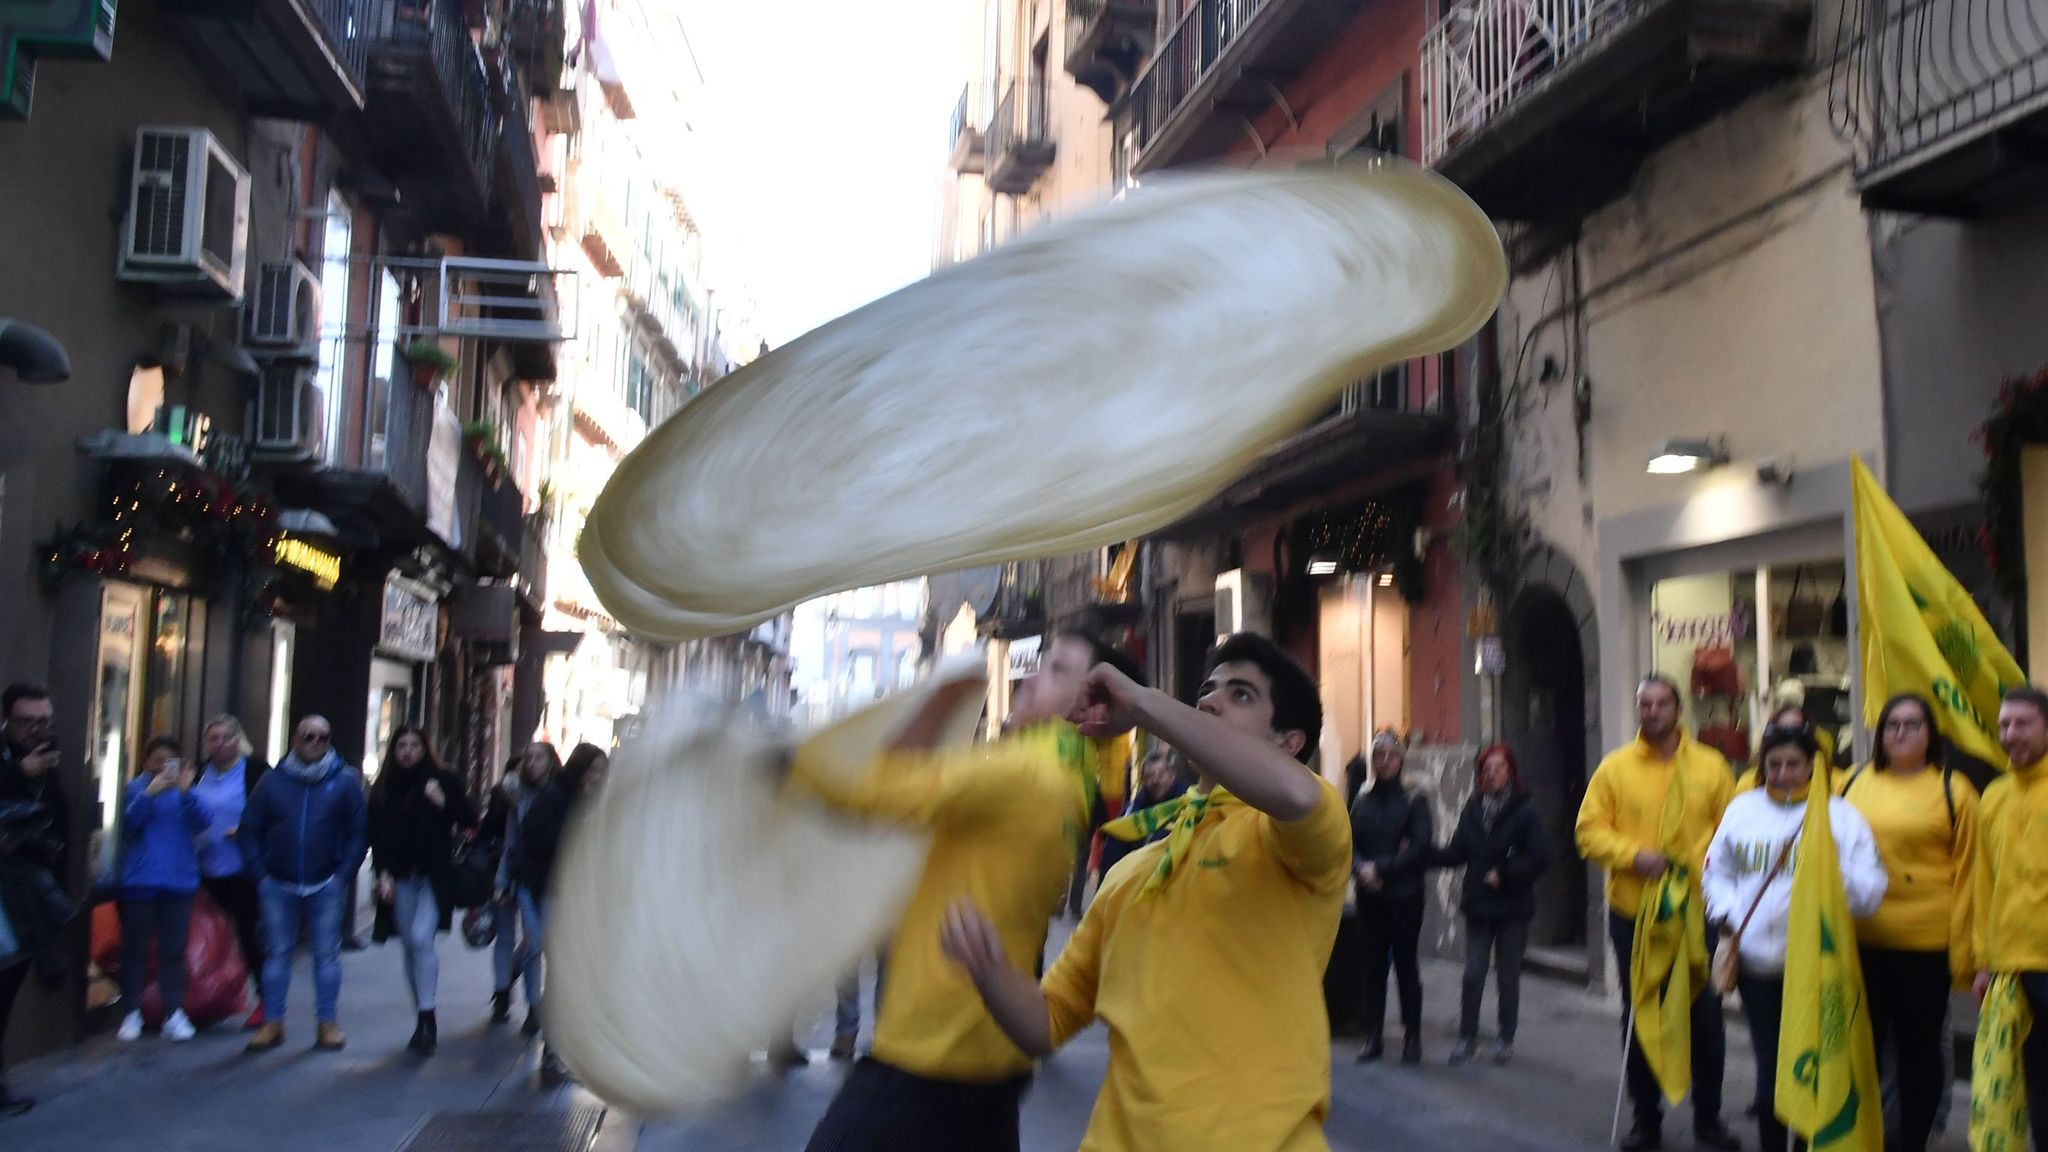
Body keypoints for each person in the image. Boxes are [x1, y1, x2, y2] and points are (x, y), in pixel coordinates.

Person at [941, 632, 1352, 1152]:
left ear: (1288, 743)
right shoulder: (1130, 872)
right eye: (1208, 689)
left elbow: (1293, 792)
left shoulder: (1296, 832)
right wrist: (987, 965)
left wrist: (1140, 702)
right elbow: (1046, 1023)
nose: (1209, 701)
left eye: (1240, 694)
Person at [792, 631, 1142, 1152]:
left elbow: (867, 791)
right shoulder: (1070, 788)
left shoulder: (1026, 774)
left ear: (1090, 710)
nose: (1031, 675)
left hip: (926, 1060)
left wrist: (777, 762)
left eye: (1058, 671)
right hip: (990, 1063)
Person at [1703, 723, 1886, 1152]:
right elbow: (1716, 872)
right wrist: (1728, 914)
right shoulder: (1741, 810)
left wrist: (1828, 875)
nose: (1783, 773)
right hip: (1757, 966)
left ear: (1812, 766)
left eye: (1793, 764)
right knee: (1771, 1071)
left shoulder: (1840, 816)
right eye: (1774, 765)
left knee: (1813, 1066)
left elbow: (1873, 888)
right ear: (1762, 768)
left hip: (1818, 969)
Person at [1576, 675, 1740, 1152]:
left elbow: (1732, 830)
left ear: (1679, 708)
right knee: (1640, 1015)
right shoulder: (1615, 769)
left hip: (1698, 913)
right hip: (1635, 914)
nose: (1652, 711)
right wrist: (1634, 856)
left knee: (1706, 1018)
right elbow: (1588, 832)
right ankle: (1646, 1120)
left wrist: (1701, 860)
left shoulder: (1712, 768)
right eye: (1643, 703)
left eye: (1661, 703)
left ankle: (1708, 1118)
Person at [1835, 692, 1976, 1152]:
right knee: (1861, 1051)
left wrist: (1965, 952)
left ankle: (1913, 1140)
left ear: (1930, 733)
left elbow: (1972, 873)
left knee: (1919, 1055)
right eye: (1892, 724)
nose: (1900, 733)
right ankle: (1863, 1136)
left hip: (1925, 947)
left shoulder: (1955, 791)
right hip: (1861, 942)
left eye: (1912, 724)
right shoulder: (1851, 782)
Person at [240, 714, 368, 1053]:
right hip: (277, 882)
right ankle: (273, 1022)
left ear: (329, 741)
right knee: (276, 953)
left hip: (325, 881)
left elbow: (358, 833)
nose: (314, 743)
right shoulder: (272, 782)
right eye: (307, 736)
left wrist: (342, 876)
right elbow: (249, 828)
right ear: (295, 739)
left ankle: (327, 1023)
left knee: (327, 955)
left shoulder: (345, 781)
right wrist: (261, 875)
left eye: (321, 737)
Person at [367, 724, 480, 1056]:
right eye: (402, 745)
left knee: (420, 938)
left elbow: (470, 817)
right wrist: (382, 874)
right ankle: (422, 1015)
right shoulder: (385, 787)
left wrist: (442, 801)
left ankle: (428, 1015)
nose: (408, 751)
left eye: (414, 745)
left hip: (434, 876)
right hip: (400, 876)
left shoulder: (442, 780)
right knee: (408, 948)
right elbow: (377, 835)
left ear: (425, 748)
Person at [1435, 743, 1549, 1065]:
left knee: (1507, 976)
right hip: (1480, 906)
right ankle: (1466, 1037)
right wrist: (1421, 854)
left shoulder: (1525, 811)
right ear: (1480, 774)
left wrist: (1507, 875)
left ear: (1510, 771)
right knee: (1473, 973)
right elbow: (1456, 852)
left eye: (1499, 768)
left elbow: (1540, 858)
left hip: (1513, 908)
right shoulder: (1473, 809)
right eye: (1487, 769)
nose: (1493, 773)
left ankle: (1505, 1038)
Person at [1971, 686, 2048, 1152]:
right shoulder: (1994, 797)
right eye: (2004, 724)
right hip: (2011, 973)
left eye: (2023, 723)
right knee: (2031, 1087)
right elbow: (1985, 887)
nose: (2011, 734)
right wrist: (1983, 963)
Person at [505, 741, 604, 1078]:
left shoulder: (585, 801)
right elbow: (535, 840)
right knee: (560, 971)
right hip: (548, 892)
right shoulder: (555, 798)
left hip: (569, 895)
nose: (596, 778)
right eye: (592, 771)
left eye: (601, 772)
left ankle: (555, 1048)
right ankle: (553, 1050)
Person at [0, 684, 70, 1116]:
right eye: (28, 721)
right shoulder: (12, 765)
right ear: (8, 719)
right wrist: (18, 775)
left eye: (44, 721)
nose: (36, 730)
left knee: (6, 992)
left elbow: (57, 827)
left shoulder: (47, 767)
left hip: (28, 897)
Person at [115, 736, 210, 1042]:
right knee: (134, 950)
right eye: (157, 760)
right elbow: (128, 824)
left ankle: (173, 1012)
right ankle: (131, 1012)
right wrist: (148, 793)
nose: (162, 767)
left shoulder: (185, 794)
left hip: (178, 882)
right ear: (146, 762)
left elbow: (203, 822)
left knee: (173, 951)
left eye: (169, 761)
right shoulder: (135, 788)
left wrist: (186, 792)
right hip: (140, 882)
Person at [1349, 729, 1432, 1064]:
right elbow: (1349, 841)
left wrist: (1378, 867)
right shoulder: (1363, 797)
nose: (1384, 762)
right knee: (1373, 969)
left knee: (1406, 967)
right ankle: (1373, 1036)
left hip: (1405, 897)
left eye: (1390, 755)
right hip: (1370, 898)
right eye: (1378, 756)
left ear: (1401, 759)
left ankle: (1412, 1037)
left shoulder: (1415, 798)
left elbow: (1419, 847)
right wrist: (1360, 868)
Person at [191, 714, 269, 1030]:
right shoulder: (197, 772)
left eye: (226, 737)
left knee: (249, 934)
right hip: (203, 869)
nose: (219, 744)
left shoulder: (255, 772)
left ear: (238, 740)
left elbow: (274, 814)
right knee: (210, 939)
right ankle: (213, 999)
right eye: (214, 738)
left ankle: (266, 1001)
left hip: (242, 870)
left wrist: (249, 830)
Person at [495, 742, 560, 1038]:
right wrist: (502, 881)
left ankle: (523, 991)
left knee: (544, 944)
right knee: (534, 944)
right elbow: (511, 843)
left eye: (538, 758)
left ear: (550, 762)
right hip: (524, 879)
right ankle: (534, 1006)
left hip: (553, 881)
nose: (532, 763)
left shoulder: (559, 796)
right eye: (528, 758)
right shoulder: (517, 797)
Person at [478, 755, 529, 1024]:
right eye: (523, 764)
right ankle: (501, 992)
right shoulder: (503, 796)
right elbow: (486, 833)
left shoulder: (543, 796)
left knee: (531, 937)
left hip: (529, 875)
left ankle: (509, 976)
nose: (529, 767)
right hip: (504, 874)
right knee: (506, 936)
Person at [1095, 741, 1188, 880]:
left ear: (1171, 774)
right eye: (1150, 776)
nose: (1156, 780)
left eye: (1160, 774)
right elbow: (1113, 854)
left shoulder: (1188, 805)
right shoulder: (1132, 812)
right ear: (1143, 780)